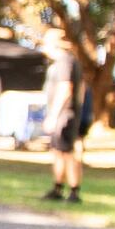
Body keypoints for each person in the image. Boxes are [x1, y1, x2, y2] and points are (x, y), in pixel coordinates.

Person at [40, 28, 89, 203]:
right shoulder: (64, 62)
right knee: (58, 151)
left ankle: (74, 191)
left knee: (67, 152)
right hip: (66, 114)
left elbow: (65, 88)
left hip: (64, 115)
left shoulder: (65, 62)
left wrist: (53, 115)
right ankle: (58, 187)